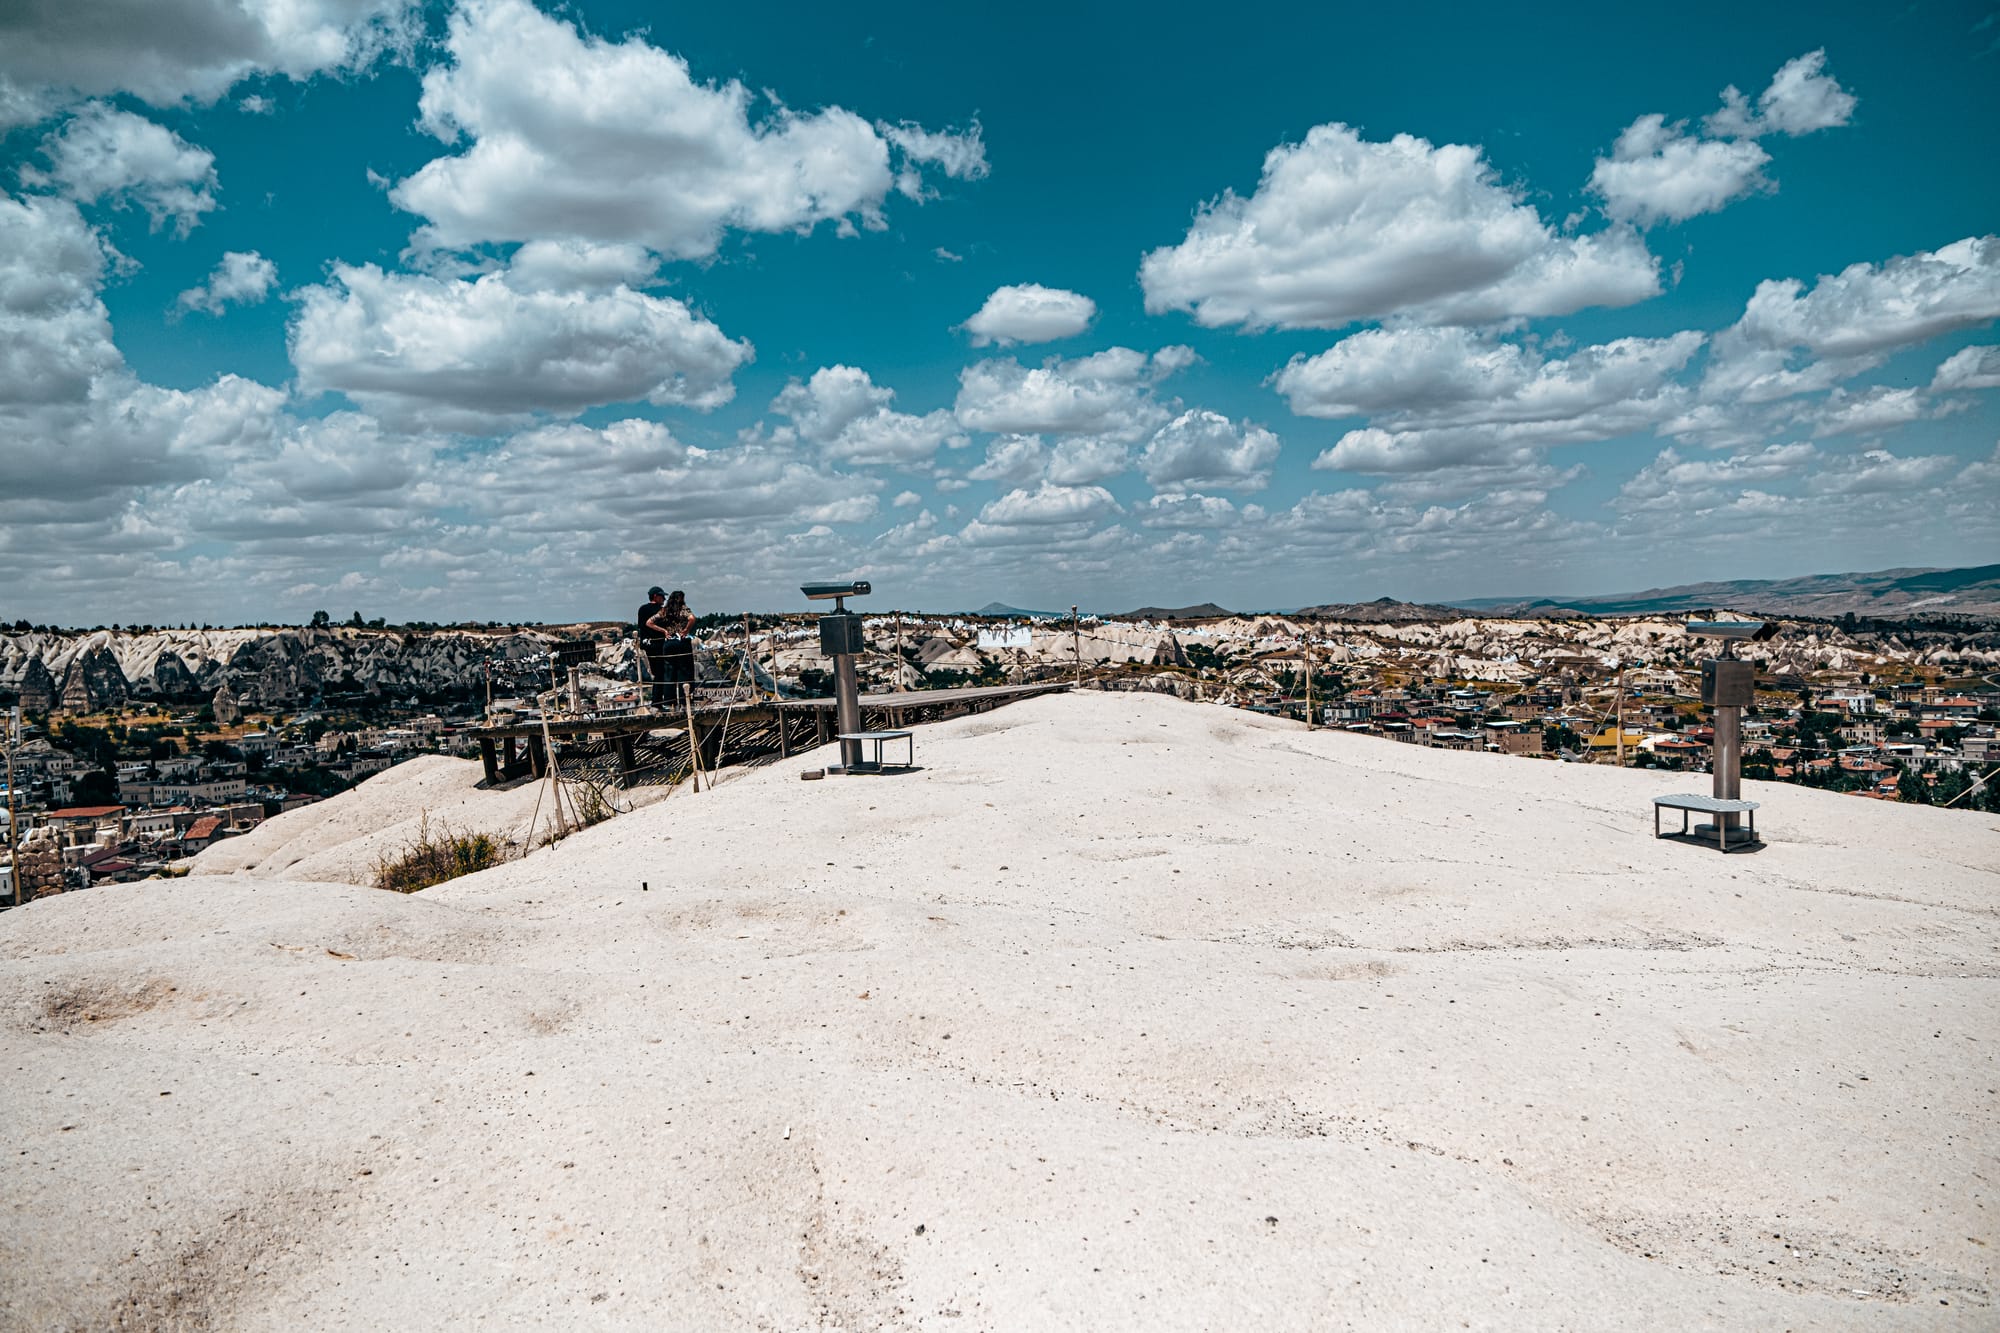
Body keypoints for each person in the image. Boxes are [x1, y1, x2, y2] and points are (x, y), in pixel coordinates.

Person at [646, 589, 697, 704]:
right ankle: (685, 701)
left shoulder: (664, 610)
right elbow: (692, 618)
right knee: (685, 672)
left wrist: (664, 631)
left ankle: (670, 702)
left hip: (668, 643)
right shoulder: (683, 609)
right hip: (682, 642)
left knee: (669, 673)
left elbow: (649, 622)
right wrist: (685, 630)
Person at [636, 586, 671, 706]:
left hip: (648, 644)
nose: (664, 599)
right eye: (662, 596)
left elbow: (642, 626)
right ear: (655, 596)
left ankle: (657, 701)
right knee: (662, 673)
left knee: (658, 673)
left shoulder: (642, 609)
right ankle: (658, 702)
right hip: (658, 644)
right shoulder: (660, 610)